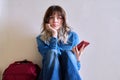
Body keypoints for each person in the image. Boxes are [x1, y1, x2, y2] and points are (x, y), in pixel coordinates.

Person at [36, 5, 85, 80]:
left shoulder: (73, 37)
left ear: (63, 20)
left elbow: (76, 69)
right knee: (52, 52)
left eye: (59, 17)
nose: (55, 20)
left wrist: (77, 59)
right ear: (47, 20)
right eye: (51, 17)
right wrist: (54, 34)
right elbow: (50, 61)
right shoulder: (41, 39)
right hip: (50, 75)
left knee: (68, 54)